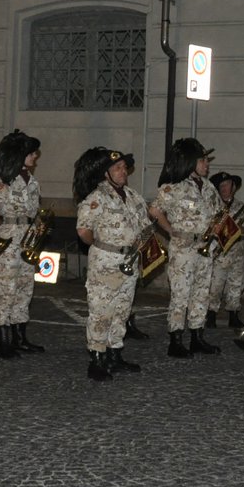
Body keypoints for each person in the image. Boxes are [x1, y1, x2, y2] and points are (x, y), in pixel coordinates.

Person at [74, 147, 162, 380]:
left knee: (122, 310)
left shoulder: (133, 197)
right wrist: (104, 246)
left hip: (130, 261)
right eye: (117, 168)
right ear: (106, 173)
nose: (124, 172)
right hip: (106, 261)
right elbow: (84, 231)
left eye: (124, 168)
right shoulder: (96, 198)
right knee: (101, 311)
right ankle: (97, 359)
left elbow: (144, 227)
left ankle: (115, 355)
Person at [152, 138, 224, 358]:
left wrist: (218, 229)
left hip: (205, 246)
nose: (207, 164)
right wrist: (170, 230)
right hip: (183, 247)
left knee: (202, 292)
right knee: (181, 294)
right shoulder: (173, 187)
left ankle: (197, 336)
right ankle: (175, 339)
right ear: (191, 162)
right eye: (203, 160)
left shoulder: (209, 187)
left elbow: (220, 212)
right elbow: (154, 210)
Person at [0, 129, 46, 359]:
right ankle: (3, 343)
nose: (35, 157)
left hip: (29, 241)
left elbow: (36, 211)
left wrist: (37, 227)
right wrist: (9, 232)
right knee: (6, 291)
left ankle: (20, 338)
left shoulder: (33, 182)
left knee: (24, 289)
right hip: (10, 241)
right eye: (31, 153)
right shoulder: (4, 183)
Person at [204, 171, 244, 334]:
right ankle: (211, 315)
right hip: (219, 253)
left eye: (227, 185)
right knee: (215, 285)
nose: (224, 189)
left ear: (233, 187)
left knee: (236, 284)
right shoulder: (213, 207)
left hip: (237, 252)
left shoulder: (242, 207)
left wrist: (239, 229)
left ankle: (234, 315)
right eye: (221, 186)